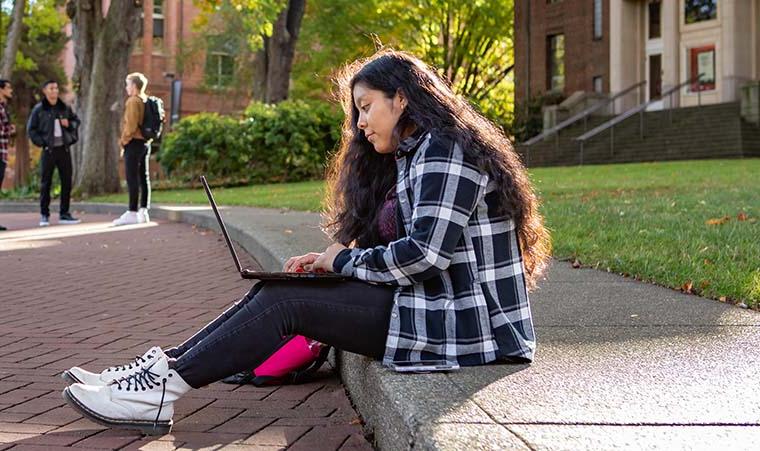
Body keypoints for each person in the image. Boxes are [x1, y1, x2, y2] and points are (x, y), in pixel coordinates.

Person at [60, 50, 551, 435]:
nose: (360, 122)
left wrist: (345, 260)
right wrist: (331, 263)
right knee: (275, 290)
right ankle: (161, 372)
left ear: (401, 99)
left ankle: (160, 388)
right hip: (435, 305)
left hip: (471, 323)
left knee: (287, 301)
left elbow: (426, 254)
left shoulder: (446, 149)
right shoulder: (415, 154)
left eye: (366, 107)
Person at [27, 80, 81, 227]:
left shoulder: (64, 108)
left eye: (56, 88)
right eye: (51, 88)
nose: (54, 91)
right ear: (45, 91)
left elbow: (76, 121)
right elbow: (31, 130)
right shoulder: (39, 109)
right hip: (48, 150)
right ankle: (44, 215)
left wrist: (69, 124)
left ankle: (65, 214)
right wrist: (42, 142)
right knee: (46, 183)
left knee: (66, 182)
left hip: (63, 149)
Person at [112, 72, 151, 226]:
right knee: (143, 177)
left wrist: (124, 141)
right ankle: (143, 211)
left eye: (127, 84)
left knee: (132, 177)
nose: (126, 87)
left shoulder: (133, 101)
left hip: (133, 143)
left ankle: (132, 211)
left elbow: (131, 125)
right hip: (144, 143)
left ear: (134, 86)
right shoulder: (145, 100)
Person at [0, 79, 14, 231]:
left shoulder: (3, 107)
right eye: (8, 87)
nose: (11, 90)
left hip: (2, 152)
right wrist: (10, 129)